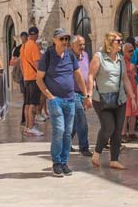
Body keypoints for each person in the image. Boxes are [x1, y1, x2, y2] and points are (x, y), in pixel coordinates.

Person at [36, 28, 91, 176]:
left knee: (67, 133)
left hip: (70, 99)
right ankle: (56, 162)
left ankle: (64, 162)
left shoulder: (70, 56)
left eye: (67, 39)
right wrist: (49, 96)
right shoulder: (47, 56)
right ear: (54, 40)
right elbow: (39, 78)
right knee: (59, 130)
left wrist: (86, 95)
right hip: (56, 100)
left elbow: (78, 76)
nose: (65, 42)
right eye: (62, 39)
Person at [87, 32, 133, 170]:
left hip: (119, 99)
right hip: (102, 99)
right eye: (118, 41)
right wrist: (88, 95)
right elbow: (90, 76)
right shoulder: (99, 57)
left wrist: (132, 96)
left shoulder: (120, 58)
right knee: (108, 127)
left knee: (118, 130)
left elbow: (125, 78)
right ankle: (97, 153)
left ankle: (114, 159)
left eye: (121, 41)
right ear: (110, 43)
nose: (121, 43)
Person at [70, 35, 93, 156]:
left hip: (83, 93)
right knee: (81, 119)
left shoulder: (86, 56)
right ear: (72, 45)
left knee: (75, 121)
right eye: (80, 44)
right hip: (72, 92)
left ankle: (66, 142)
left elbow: (88, 73)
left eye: (83, 44)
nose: (82, 47)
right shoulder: (68, 57)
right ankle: (84, 147)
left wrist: (89, 93)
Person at [20, 27, 44, 136]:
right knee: (33, 104)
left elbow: (21, 63)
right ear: (36, 35)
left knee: (28, 104)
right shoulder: (33, 45)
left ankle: (27, 127)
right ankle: (31, 127)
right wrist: (41, 76)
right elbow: (36, 63)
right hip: (34, 78)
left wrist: (25, 74)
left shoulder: (23, 46)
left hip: (26, 78)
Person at [121, 40, 138, 142]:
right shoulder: (122, 61)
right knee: (125, 113)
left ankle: (131, 133)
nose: (132, 53)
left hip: (134, 89)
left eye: (133, 50)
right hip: (126, 91)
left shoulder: (134, 60)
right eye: (129, 51)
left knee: (134, 112)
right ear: (124, 52)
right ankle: (123, 133)